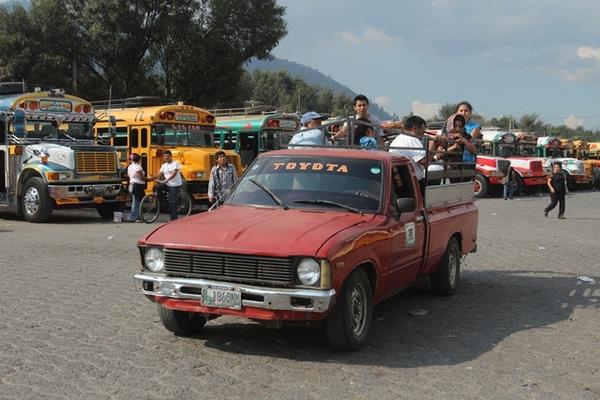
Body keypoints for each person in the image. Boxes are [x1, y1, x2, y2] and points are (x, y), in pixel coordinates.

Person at [389, 115, 445, 181]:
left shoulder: (399, 138)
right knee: (437, 168)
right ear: (414, 129)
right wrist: (435, 146)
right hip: (412, 181)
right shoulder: (412, 139)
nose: (423, 135)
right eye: (423, 132)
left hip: (401, 179)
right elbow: (424, 161)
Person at [153, 150, 183, 221]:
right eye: (165, 156)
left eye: (167, 156)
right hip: (167, 184)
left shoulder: (175, 163)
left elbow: (174, 174)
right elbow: (159, 173)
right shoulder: (164, 165)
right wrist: (152, 178)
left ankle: (174, 218)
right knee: (157, 188)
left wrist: (166, 180)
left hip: (175, 185)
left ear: (171, 156)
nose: (166, 158)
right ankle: (165, 203)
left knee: (173, 201)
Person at [127, 153, 146, 222]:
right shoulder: (138, 167)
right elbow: (142, 177)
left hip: (131, 185)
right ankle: (134, 217)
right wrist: (149, 179)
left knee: (136, 201)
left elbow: (129, 176)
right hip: (137, 185)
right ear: (139, 159)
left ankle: (137, 216)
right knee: (136, 202)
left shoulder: (130, 166)